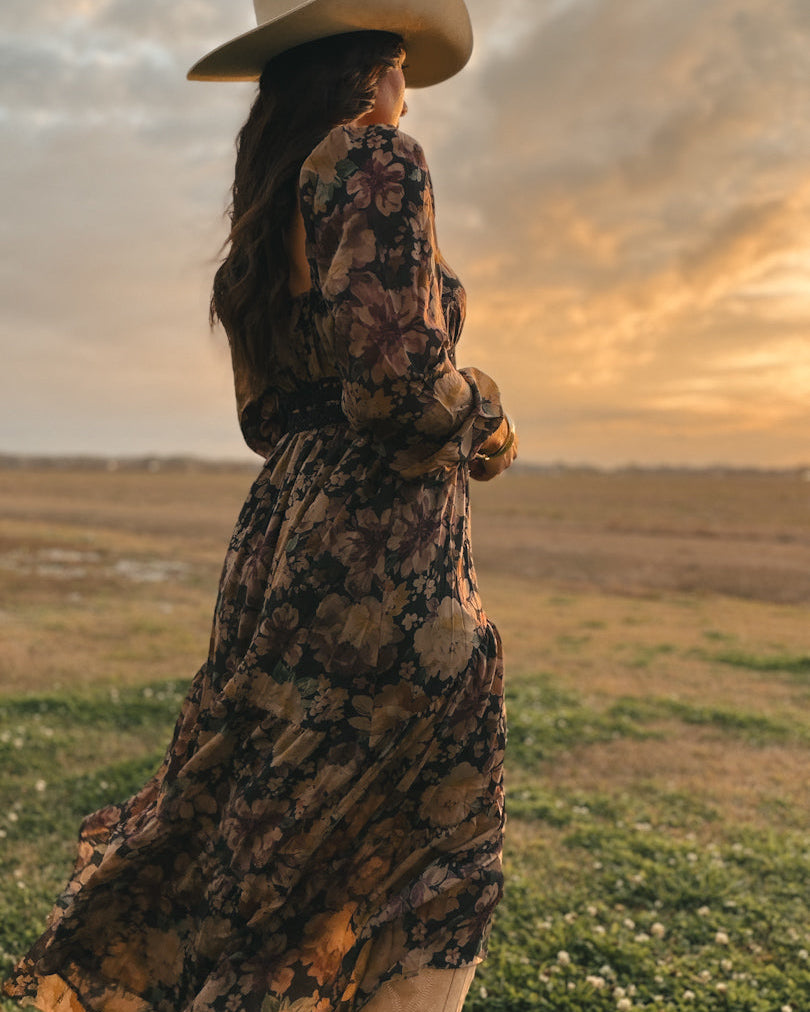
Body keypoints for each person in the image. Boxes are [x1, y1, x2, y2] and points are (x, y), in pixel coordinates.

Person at [2, 1, 518, 1010]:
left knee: (283, 827)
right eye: (402, 65)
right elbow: (404, 389)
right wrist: (489, 416)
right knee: (443, 847)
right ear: (373, 70)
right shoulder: (380, 159)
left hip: (289, 532)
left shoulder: (274, 188)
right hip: (390, 549)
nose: (406, 88)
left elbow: (269, 414)